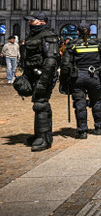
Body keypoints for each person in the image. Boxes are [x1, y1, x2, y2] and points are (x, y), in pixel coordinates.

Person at [20, 12, 60, 151]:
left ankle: (44, 139)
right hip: (33, 75)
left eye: (33, 21)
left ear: (42, 22)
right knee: (38, 104)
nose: (30, 23)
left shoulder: (48, 36)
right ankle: (40, 134)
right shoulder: (33, 35)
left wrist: (43, 81)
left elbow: (50, 61)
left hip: (43, 76)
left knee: (40, 104)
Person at [60, 24, 101, 138]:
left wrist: (64, 80)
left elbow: (65, 64)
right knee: (96, 101)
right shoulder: (97, 43)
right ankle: (99, 127)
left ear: (78, 33)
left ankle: (82, 131)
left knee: (80, 103)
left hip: (78, 77)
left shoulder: (72, 44)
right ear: (90, 32)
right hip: (94, 76)